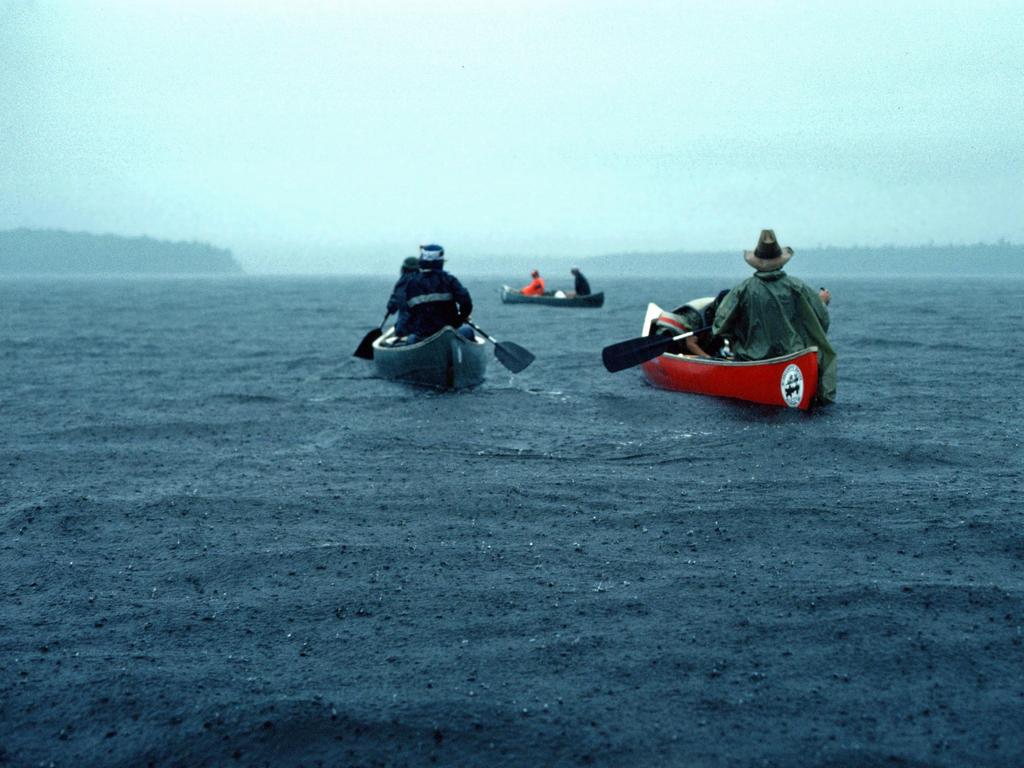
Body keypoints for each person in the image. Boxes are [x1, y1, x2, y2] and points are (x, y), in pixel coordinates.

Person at [711, 229, 837, 403]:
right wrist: (822, 301)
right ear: (780, 260)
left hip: (753, 359)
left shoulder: (743, 290)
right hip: (794, 356)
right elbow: (820, 319)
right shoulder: (797, 287)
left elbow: (720, 325)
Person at [401, 244, 474, 343]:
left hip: (423, 336)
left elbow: (408, 312)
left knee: (410, 340)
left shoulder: (412, 283)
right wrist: (460, 319)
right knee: (468, 330)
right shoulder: (450, 280)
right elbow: (466, 303)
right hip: (449, 332)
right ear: (440, 262)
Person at [386, 256, 419, 336]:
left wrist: (390, 309)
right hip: (423, 328)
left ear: (403, 269)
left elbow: (392, 308)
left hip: (404, 328)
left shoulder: (401, 284)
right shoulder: (424, 282)